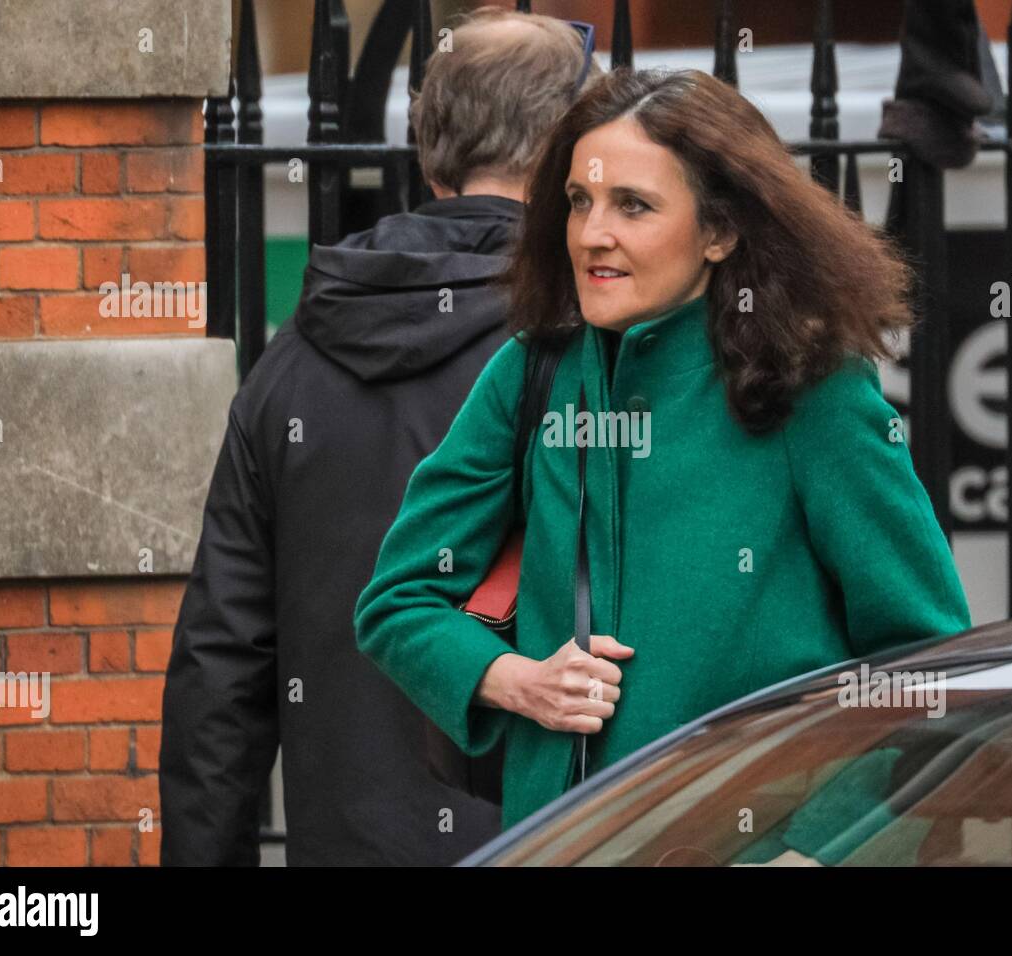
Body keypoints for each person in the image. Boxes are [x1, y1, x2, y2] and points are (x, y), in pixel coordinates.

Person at [354, 67, 972, 834]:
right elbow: (397, 602)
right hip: (562, 844)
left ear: (720, 232)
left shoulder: (813, 390)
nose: (592, 233)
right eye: (580, 201)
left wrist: (823, 848)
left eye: (633, 206)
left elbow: (926, 661)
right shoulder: (531, 372)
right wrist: (514, 679)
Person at [160, 8, 600, 866]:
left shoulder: (291, 362)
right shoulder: (602, 345)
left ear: (430, 145)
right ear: (565, 151)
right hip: (557, 839)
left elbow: (220, 673)